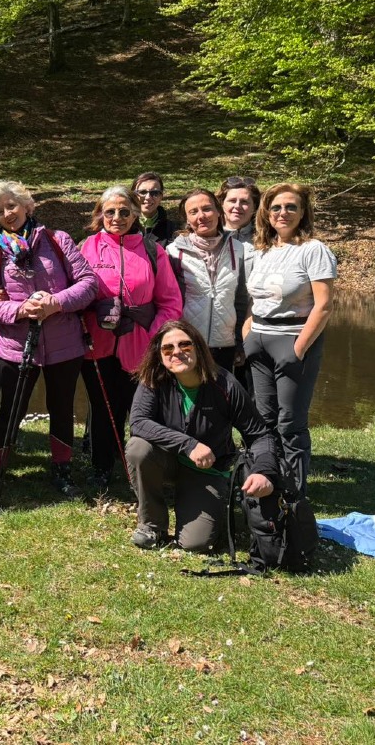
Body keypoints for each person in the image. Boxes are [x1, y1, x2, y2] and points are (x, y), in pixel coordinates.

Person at [0, 181, 97, 499]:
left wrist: (56, 302)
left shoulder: (58, 241)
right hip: (16, 347)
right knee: (9, 411)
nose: (7, 214)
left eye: (11, 206)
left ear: (28, 206)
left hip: (63, 343)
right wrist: (20, 309)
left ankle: (62, 471)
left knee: (61, 407)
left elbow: (88, 283)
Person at [126, 320, 277, 551]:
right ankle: (152, 524)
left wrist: (264, 471)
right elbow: (138, 423)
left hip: (208, 470)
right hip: (166, 460)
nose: (177, 352)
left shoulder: (225, 384)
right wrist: (188, 444)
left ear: (198, 347)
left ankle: (202, 500)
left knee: (194, 543)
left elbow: (259, 434)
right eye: (168, 348)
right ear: (160, 354)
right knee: (138, 448)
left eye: (185, 345)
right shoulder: (153, 379)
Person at [79, 186, 182, 496]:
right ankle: (101, 468)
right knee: (102, 408)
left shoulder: (152, 250)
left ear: (136, 214)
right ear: (99, 214)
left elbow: (170, 302)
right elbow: (73, 293)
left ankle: (143, 467)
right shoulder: (86, 247)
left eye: (125, 211)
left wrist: (155, 339)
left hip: (141, 345)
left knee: (141, 411)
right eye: (109, 211)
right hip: (97, 344)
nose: (117, 217)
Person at [243, 183, 337, 497]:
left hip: (293, 341)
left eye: (291, 207)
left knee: (291, 423)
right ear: (266, 214)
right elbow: (256, 300)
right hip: (259, 341)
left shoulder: (313, 250)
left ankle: (294, 491)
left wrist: (297, 349)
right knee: (265, 418)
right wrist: (250, 335)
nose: (283, 213)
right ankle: (268, 480)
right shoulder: (263, 250)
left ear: (303, 212)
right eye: (276, 208)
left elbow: (323, 305)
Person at [166, 188, 250, 371]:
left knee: (221, 397)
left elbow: (241, 300)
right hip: (186, 344)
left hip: (225, 345)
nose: (201, 216)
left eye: (207, 209)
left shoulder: (239, 249)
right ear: (187, 219)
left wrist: (239, 342)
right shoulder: (173, 252)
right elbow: (169, 302)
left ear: (219, 211)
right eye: (193, 212)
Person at [132, 171, 176, 245]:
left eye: (155, 193)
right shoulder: (124, 225)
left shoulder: (172, 229)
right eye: (142, 192)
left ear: (161, 196)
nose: (148, 197)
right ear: (133, 195)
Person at [217, 175, 261, 248]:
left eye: (244, 202)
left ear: (254, 206)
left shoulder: (264, 238)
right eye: (232, 201)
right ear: (222, 203)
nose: (237, 206)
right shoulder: (210, 236)